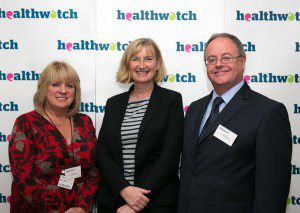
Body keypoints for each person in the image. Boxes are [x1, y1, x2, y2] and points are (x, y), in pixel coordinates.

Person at [178, 33, 292, 213]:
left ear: (242, 61)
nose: (218, 64)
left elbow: (273, 190)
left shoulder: (268, 112)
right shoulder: (194, 109)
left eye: (226, 58)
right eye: (211, 59)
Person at [96, 38, 184, 213]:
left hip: (157, 201)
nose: (141, 65)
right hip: (115, 199)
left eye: (148, 59)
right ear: (128, 64)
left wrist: (136, 200)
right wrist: (124, 189)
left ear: (158, 64)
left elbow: (170, 156)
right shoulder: (114, 103)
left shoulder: (171, 101)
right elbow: (102, 152)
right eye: (135, 59)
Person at [9, 61, 99, 212]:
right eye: (56, 84)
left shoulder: (84, 122)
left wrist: (83, 207)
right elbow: (24, 179)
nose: (63, 90)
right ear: (44, 88)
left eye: (69, 85)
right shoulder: (26, 123)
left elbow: (94, 169)